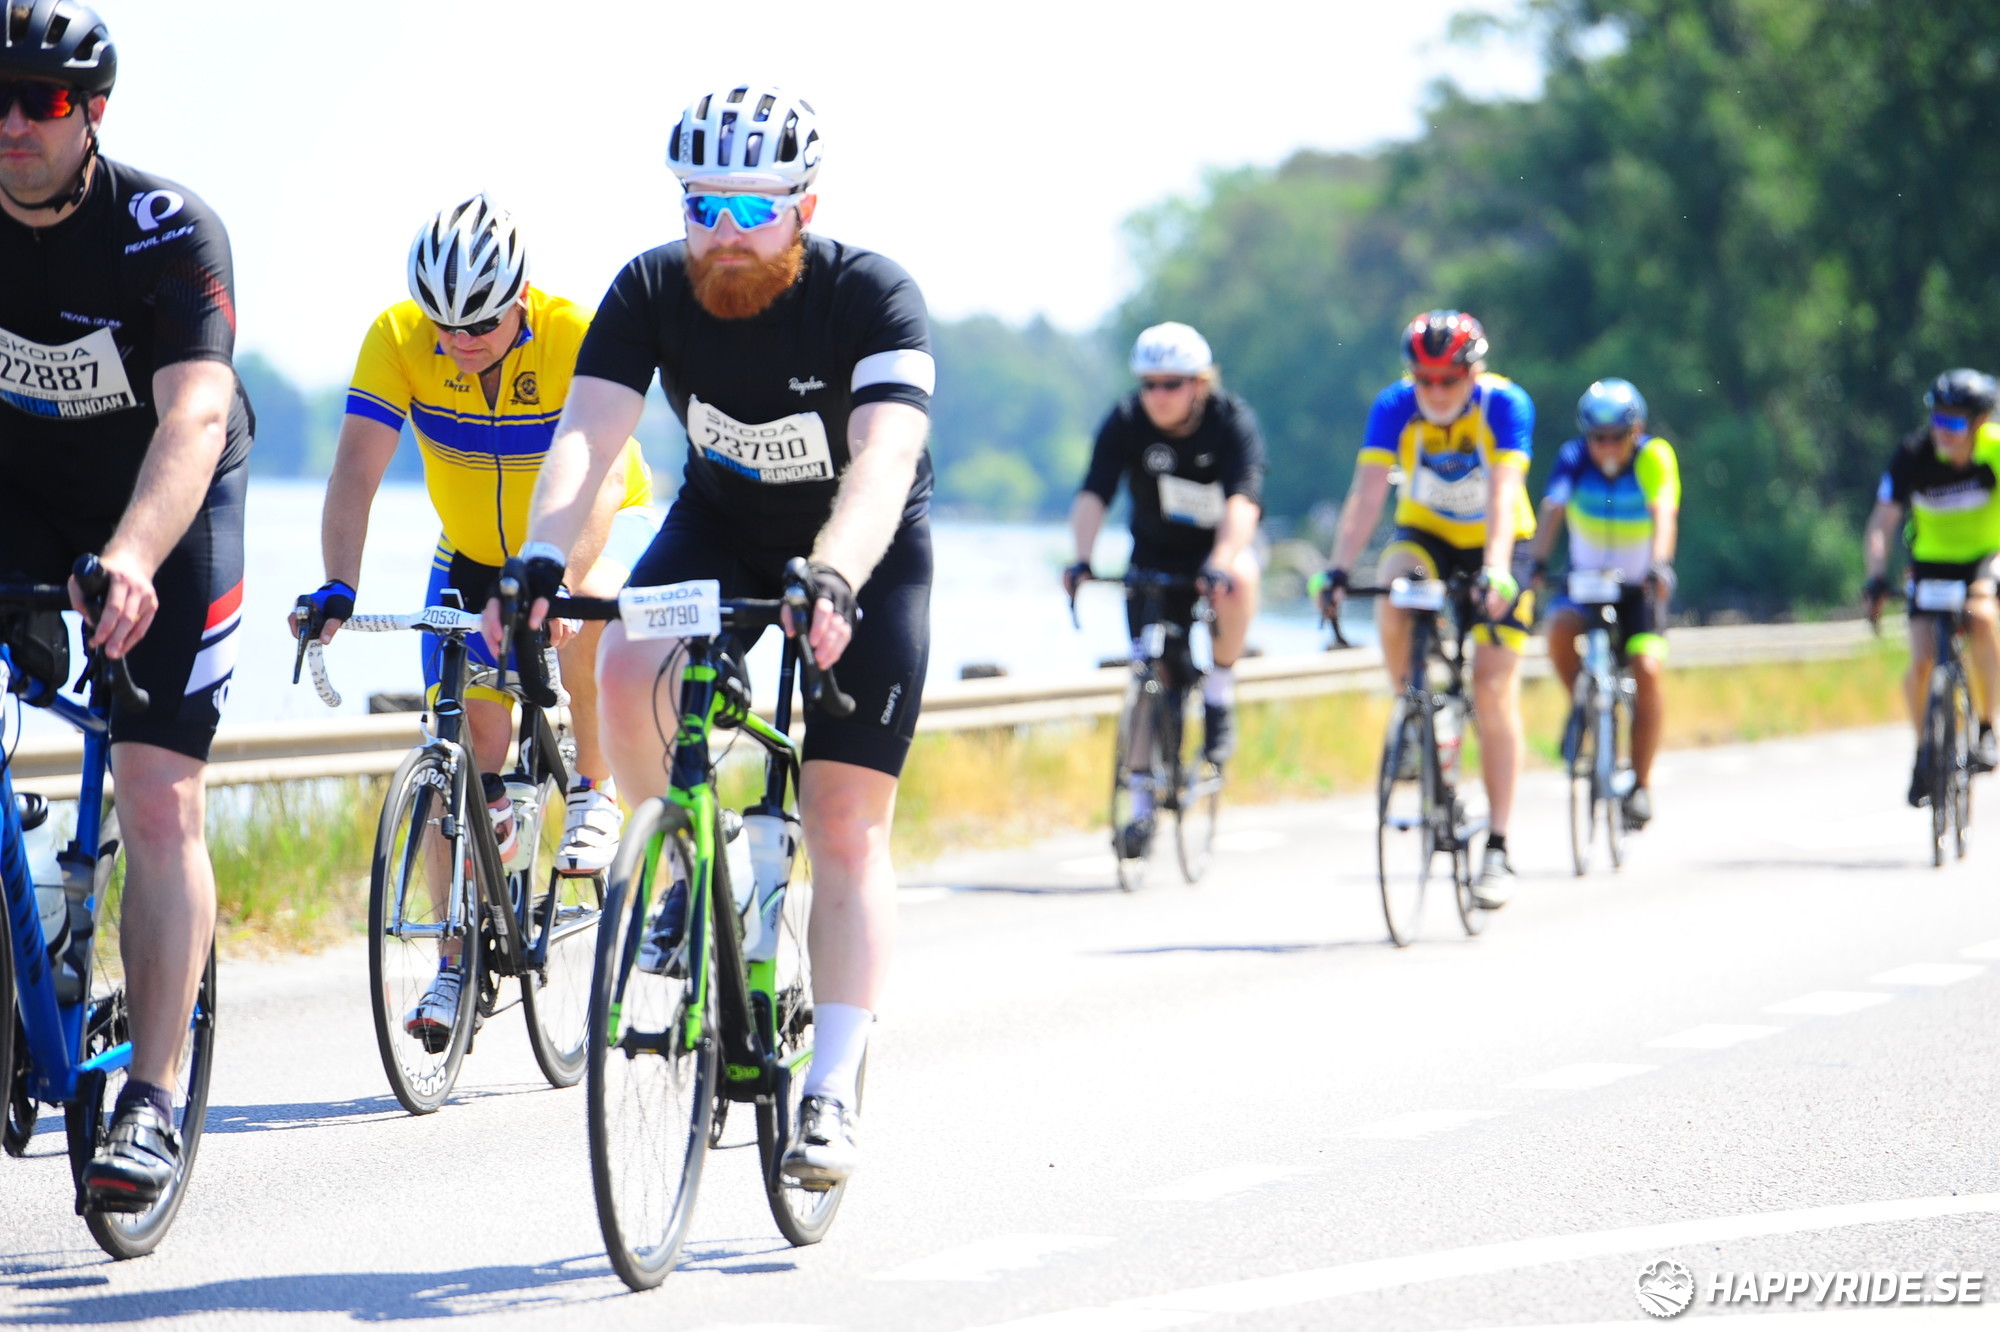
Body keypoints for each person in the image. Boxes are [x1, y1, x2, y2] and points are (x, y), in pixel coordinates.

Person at [499, 84, 932, 1187]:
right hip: (723, 529)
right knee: (626, 664)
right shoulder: (650, 286)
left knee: (843, 825)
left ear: (804, 208)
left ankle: (829, 1090)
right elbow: (588, 437)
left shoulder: (872, 295)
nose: (725, 234)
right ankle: (698, 866)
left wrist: (835, 576)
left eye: (753, 208)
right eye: (704, 207)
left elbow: (884, 457)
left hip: (859, 554)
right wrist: (543, 557)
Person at [296, 195, 656, 1045]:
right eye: (443, 324)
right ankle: (454, 966)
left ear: (522, 296)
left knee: (588, 619)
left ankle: (594, 789)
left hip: (597, 525)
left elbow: (604, 473)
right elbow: (356, 469)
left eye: (481, 323)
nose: (459, 340)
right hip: (471, 551)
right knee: (458, 752)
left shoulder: (574, 333)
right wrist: (338, 585)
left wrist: (563, 581)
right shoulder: (397, 338)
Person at [0, 0, 245, 1207]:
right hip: (22, 497)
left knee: (155, 792)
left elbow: (193, 415)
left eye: (41, 101)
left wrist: (135, 556)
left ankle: (149, 1093)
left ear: (92, 112)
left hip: (166, 506)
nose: (12, 124)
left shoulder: (167, 231)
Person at [1318, 310, 1536, 906]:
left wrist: (1497, 570)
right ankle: (1414, 712)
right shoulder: (1394, 405)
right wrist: (1337, 569)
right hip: (1428, 535)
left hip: (1498, 542)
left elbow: (1504, 494)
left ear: (1474, 374)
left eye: (1449, 380)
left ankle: (1498, 847)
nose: (1436, 392)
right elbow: (1367, 494)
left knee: (1492, 687)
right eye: (1425, 379)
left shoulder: (1505, 405)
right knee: (1392, 588)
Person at [1063, 322, 1264, 857]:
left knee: (1242, 577)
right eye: (1149, 384)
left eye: (1171, 384)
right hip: (1153, 557)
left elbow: (1244, 500)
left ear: (1199, 384)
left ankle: (1220, 690)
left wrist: (1220, 562)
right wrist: (1081, 558)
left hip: (1215, 553)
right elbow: (1094, 492)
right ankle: (1139, 809)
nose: (1158, 395)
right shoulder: (1127, 420)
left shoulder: (1230, 421)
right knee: (1147, 672)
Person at [1525, 379, 1680, 827]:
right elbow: (1553, 509)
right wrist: (1536, 563)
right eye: (1598, 438)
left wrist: (1660, 564)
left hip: (1638, 588)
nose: (1607, 447)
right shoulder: (1573, 457)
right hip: (1585, 583)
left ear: (1637, 432)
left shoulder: (1654, 457)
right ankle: (1583, 707)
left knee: (1647, 669)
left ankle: (1641, 786)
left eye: (1617, 437)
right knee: (1557, 630)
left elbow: (1664, 512)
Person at [1862, 368, 2000, 805]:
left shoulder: (1995, 450)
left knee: (1982, 616)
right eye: (1937, 418)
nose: (1943, 431)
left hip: (1984, 557)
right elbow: (1882, 522)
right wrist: (1875, 576)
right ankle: (1924, 751)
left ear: (1979, 422)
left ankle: (1986, 726)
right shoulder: (1913, 454)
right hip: (1930, 562)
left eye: (1954, 422)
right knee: (1922, 659)